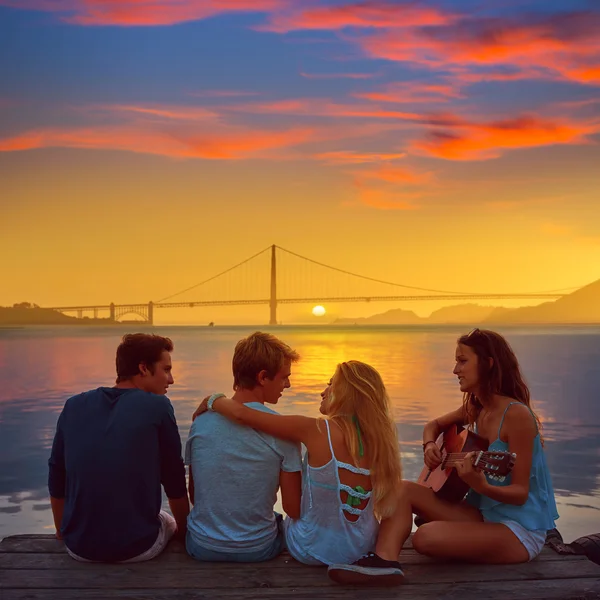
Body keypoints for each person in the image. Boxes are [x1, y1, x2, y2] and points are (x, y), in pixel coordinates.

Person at [328, 328, 559, 584]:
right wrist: (429, 446)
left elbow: (520, 493)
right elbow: (433, 425)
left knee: (425, 537)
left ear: (488, 363)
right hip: (482, 515)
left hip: (519, 530)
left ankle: (450, 539)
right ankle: (384, 562)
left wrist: (479, 485)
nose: (455, 370)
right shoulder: (476, 407)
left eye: (462, 361)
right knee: (401, 489)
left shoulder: (517, 416)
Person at [194, 359, 406, 582]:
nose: (323, 391)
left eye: (331, 384)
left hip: (310, 549)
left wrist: (213, 400)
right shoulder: (382, 442)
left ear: (347, 392)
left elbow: (243, 415)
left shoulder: (315, 429)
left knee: (283, 518)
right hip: (361, 549)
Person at [48, 333, 189, 563]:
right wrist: (184, 532)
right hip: (138, 549)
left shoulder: (73, 405)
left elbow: (57, 474)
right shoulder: (158, 406)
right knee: (169, 520)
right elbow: (173, 479)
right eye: (166, 369)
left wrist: (62, 531)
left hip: (78, 549)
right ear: (143, 368)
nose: (171, 379)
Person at [185, 332, 302, 562]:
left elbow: (195, 494)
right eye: (284, 377)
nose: (288, 384)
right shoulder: (283, 432)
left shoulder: (200, 421)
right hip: (257, 549)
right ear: (262, 377)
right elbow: (293, 509)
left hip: (201, 546)